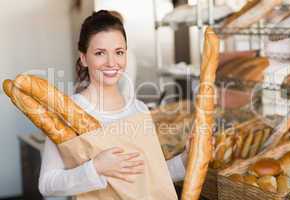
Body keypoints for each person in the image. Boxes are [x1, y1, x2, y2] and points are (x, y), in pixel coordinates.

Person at [39, 10, 189, 197]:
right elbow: (47, 185)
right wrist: (96, 168)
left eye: (119, 52)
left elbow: (151, 176)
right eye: (100, 53)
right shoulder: (67, 113)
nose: (112, 62)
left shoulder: (138, 109)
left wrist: (185, 160)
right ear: (84, 58)